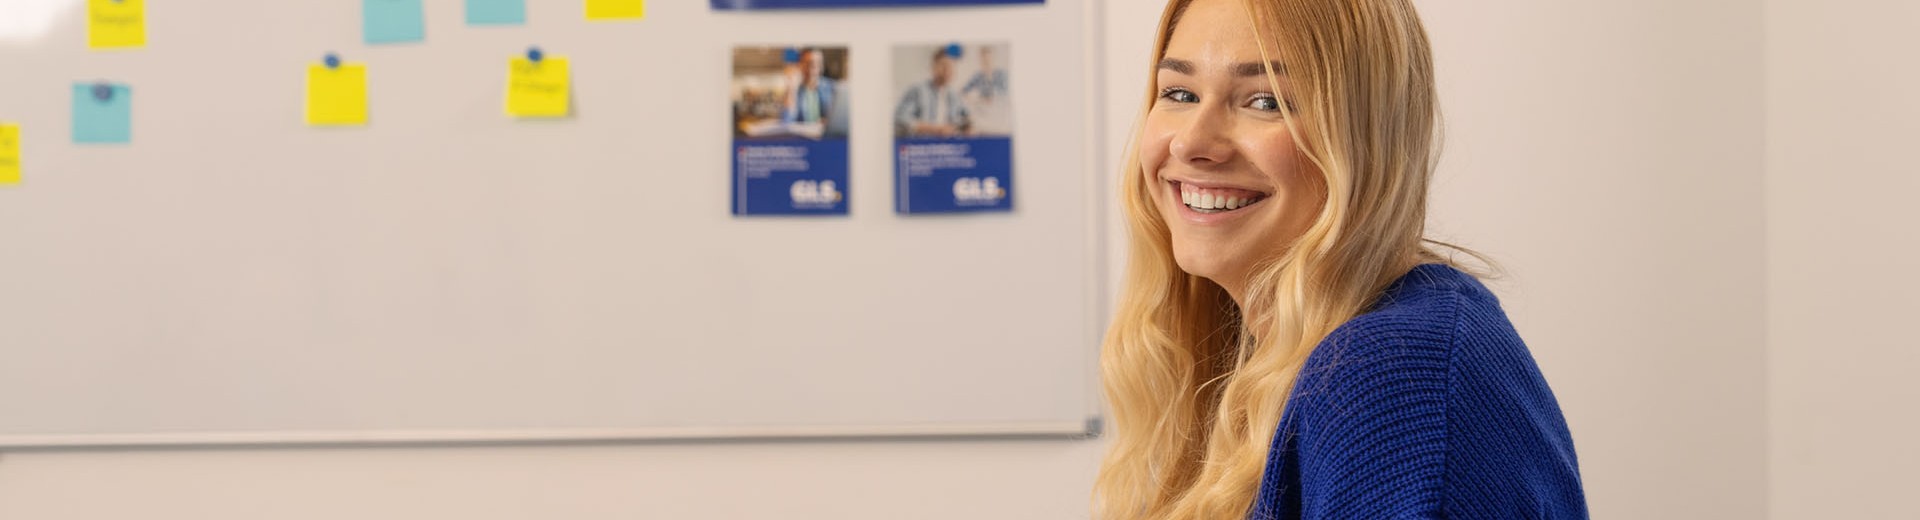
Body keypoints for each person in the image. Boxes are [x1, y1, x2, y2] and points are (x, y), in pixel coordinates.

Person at [1091, 0, 1589, 518]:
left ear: (1365, 133)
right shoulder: (1279, 352)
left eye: (1266, 101)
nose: (1192, 142)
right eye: (1179, 93)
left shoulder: (1391, 374)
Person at [894, 46, 971, 137]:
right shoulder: (917, 90)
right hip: (922, 143)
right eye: (944, 65)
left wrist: (967, 128)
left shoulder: (955, 96)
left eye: (952, 66)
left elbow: (966, 120)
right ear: (933, 67)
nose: (948, 70)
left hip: (948, 144)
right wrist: (935, 129)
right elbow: (901, 120)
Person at [781, 47, 837, 130]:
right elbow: (786, 121)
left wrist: (829, 121)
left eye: (818, 63)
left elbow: (841, 119)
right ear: (800, 66)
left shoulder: (832, 88)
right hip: (803, 136)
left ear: (822, 66)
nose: (813, 68)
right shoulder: (795, 90)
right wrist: (792, 89)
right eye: (808, 63)